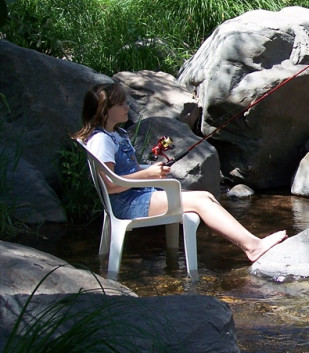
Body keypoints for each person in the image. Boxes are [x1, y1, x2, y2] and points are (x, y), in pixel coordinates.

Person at [73, 82, 287, 262]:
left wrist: (150, 171)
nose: (126, 106)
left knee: (206, 196)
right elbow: (111, 185)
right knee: (201, 202)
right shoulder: (101, 140)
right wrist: (146, 175)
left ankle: (251, 242)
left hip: (137, 195)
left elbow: (126, 173)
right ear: (105, 110)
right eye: (120, 104)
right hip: (128, 204)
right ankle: (252, 247)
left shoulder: (116, 133)